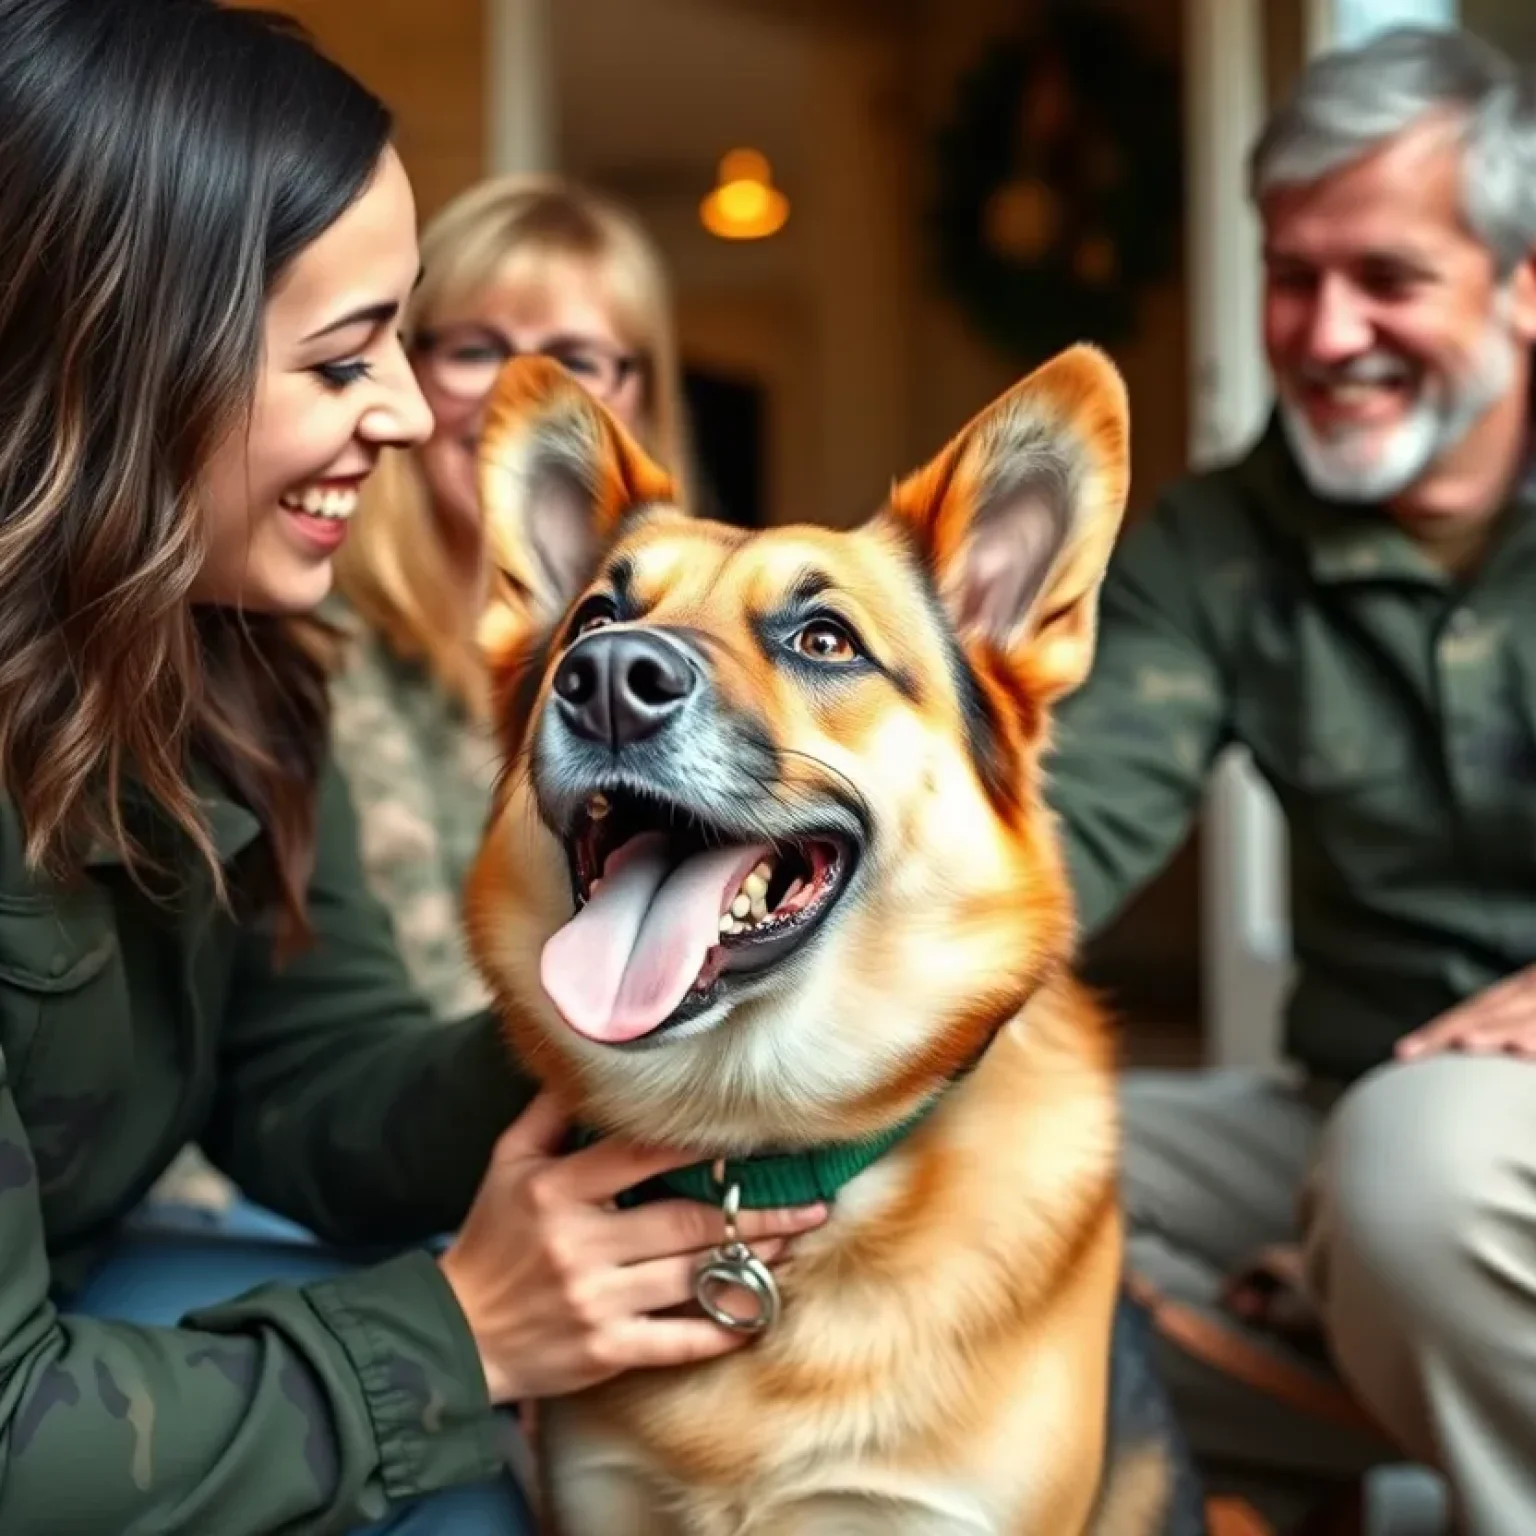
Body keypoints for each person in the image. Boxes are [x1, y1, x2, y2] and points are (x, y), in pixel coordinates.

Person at [0, 4, 824, 1533]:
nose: (402, 410)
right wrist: (457, 1333)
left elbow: (316, 1081)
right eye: (339, 359)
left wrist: (665, 1003)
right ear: (113, 370)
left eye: (397, 334)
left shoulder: (223, 671)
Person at [1044, 24, 1536, 1535]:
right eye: (1291, 275)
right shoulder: (1213, 548)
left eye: (1388, 278)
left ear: (1524, 286)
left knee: (1420, 1178)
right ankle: (1403, 1333)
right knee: (958, 1182)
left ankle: (1393, 1304)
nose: (1325, 334)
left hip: (1441, 1153)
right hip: (1350, 1106)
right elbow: (1056, 838)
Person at [328, 176, 692, 1020]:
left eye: (575, 359)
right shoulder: (316, 648)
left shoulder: (692, 660)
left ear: (640, 395)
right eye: (475, 350)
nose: (517, 392)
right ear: (409, 369)